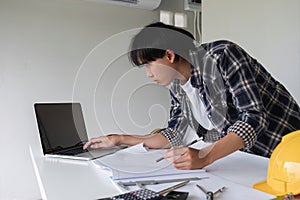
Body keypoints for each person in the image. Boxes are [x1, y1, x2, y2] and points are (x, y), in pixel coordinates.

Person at [84, 22, 300, 170]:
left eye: (148, 65)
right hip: (249, 162)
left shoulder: (222, 56)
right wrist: (121, 139)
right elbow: (174, 134)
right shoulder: (177, 85)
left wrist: (205, 156)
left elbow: (253, 118)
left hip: (287, 155)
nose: (148, 74)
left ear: (169, 55)